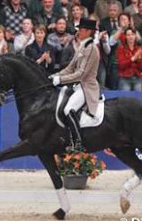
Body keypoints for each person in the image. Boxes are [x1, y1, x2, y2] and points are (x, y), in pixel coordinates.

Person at [48, 18, 100, 152]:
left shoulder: (91, 48)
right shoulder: (82, 46)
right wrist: (55, 76)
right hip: (77, 86)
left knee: (68, 109)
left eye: (81, 30)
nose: (78, 32)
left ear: (88, 32)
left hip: (87, 86)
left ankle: (78, 143)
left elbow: (81, 74)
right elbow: (70, 68)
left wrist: (60, 80)